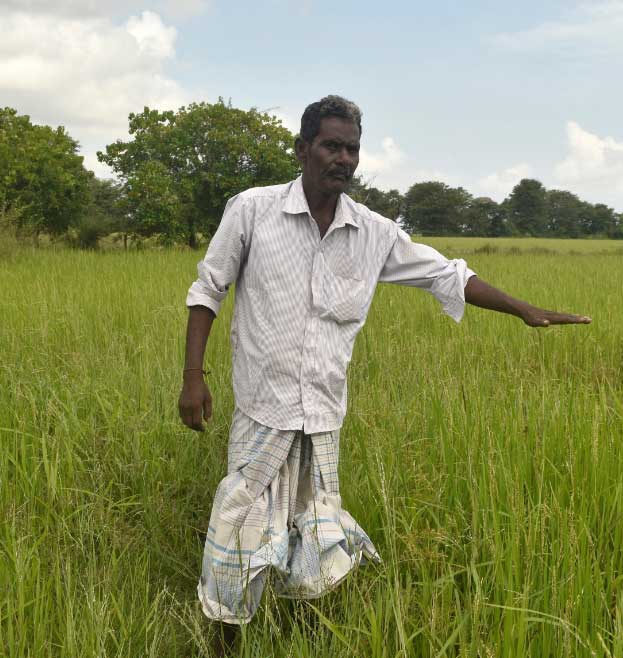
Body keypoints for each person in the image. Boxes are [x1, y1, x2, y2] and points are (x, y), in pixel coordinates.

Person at [178, 94, 590, 653]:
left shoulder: (373, 232)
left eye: (351, 148)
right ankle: (225, 637)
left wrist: (523, 308)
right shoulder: (253, 210)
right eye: (330, 145)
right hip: (263, 407)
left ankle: (295, 628)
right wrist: (193, 376)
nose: (343, 158)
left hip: (323, 412)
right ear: (302, 150)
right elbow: (209, 288)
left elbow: (444, 275)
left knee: (311, 523)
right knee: (240, 519)